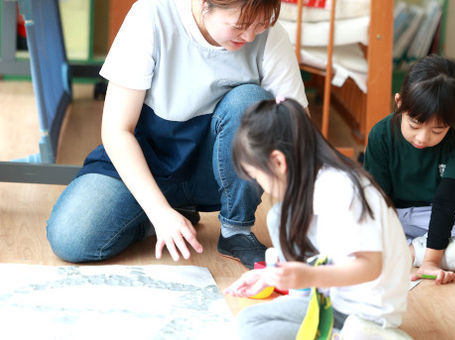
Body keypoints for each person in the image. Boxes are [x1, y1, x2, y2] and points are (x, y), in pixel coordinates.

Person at [45, 0, 308, 269]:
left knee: (252, 103)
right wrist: (158, 212)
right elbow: (116, 130)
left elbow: (298, 130)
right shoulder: (151, 16)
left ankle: (236, 231)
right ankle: (165, 215)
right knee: (71, 237)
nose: (251, 36)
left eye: (261, 24)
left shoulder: (269, 38)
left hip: (215, 171)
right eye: (240, 26)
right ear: (206, 4)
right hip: (149, 161)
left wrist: (317, 219)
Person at [224, 98, 412, 339]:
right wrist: (268, 275)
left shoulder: (340, 188)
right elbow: (325, 258)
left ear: (279, 162)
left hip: (363, 313)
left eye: (256, 175)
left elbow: (370, 266)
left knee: (251, 329)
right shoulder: (316, 184)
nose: (261, 185)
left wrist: (308, 276)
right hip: (332, 300)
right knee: (250, 320)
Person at [364, 54, 455, 308]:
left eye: (437, 131)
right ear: (399, 103)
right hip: (395, 215)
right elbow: (378, 203)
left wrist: (430, 261)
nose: (422, 138)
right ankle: (425, 251)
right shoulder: (381, 134)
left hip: (452, 212)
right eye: (415, 124)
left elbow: (447, 202)